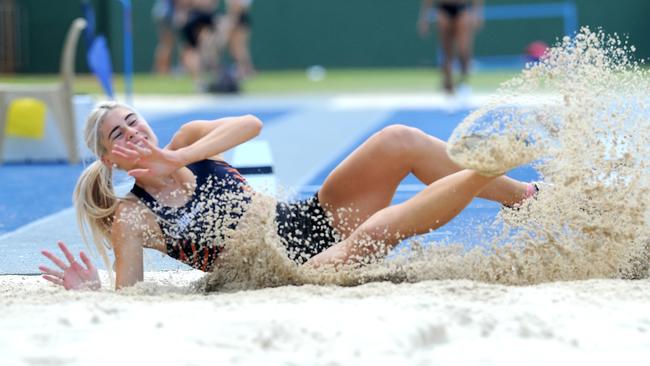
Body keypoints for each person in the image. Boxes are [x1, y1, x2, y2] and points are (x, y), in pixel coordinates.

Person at [39, 101, 537, 291]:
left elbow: (249, 124)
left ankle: (526, 197)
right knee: (377, 231)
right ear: (110, 160)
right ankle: (483, 171)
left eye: (133, 121)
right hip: (289, 273)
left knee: (398, 139)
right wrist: (92, 294)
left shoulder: (188, 141)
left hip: (311, 218)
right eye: (118, 137)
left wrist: (175, 159)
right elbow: (133, 294)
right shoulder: (131, 215)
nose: (133, 134)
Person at [418, 0, 484, 94]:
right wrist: (424, 18)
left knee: (463, 49)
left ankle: (463, 80)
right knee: (446, 50)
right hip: (444, 8)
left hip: (462, 8)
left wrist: (477, 13)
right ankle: (447, 80)